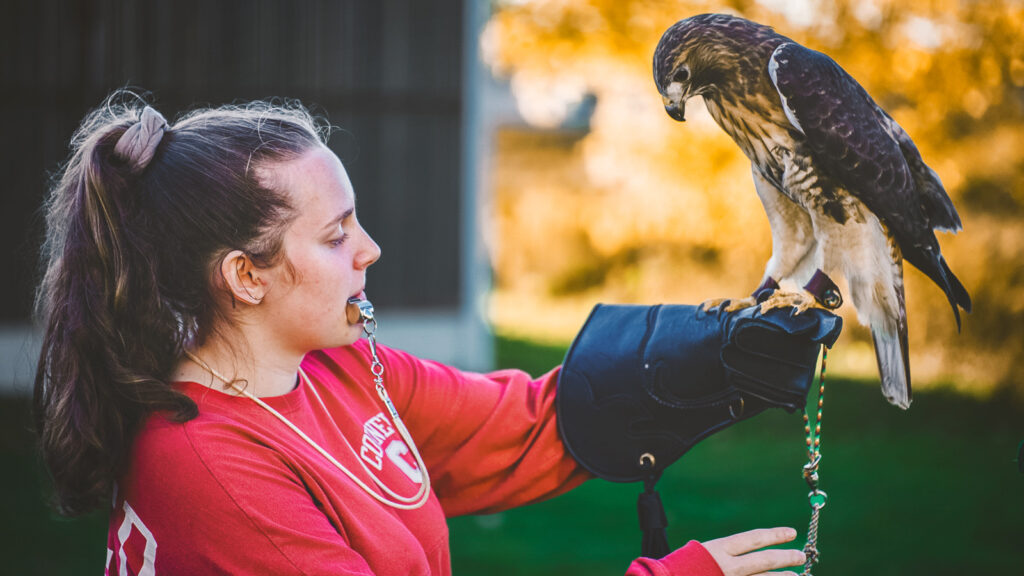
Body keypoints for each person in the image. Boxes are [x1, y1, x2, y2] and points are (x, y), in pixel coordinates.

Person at [35, 90, 816, 575]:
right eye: (337, 235)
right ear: (247, 276)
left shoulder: (335, 368)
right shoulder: (213, 473)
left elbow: (523, 425)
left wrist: (717, 351)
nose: (369, 249)